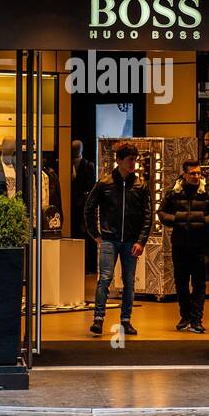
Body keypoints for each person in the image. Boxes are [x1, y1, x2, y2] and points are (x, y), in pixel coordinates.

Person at [83, 143, 152, 336]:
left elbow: (148, 215)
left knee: (129, 281)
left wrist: (141, 241)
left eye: (135, 159)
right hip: (109, 239)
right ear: (119, 160)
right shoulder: (104, 183)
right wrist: (95, 234)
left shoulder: (141, 185)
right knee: (105, 279)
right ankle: (98, 319)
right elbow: (88, 209)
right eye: (130, 159)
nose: (134, 163)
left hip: (131, 240)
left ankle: (126, 321)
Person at [158, 161, 209, 333]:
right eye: (192, 173)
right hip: (180, 244)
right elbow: (161, 213)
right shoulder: (174, 193)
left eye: (198, 173)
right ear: (184, 174)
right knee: (181, 283)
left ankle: (197, 319)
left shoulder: (208, 193)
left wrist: (204, 221)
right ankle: (185, 316)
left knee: (199, 283)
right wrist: (176, 219)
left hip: (201, 244)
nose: (196, 176)